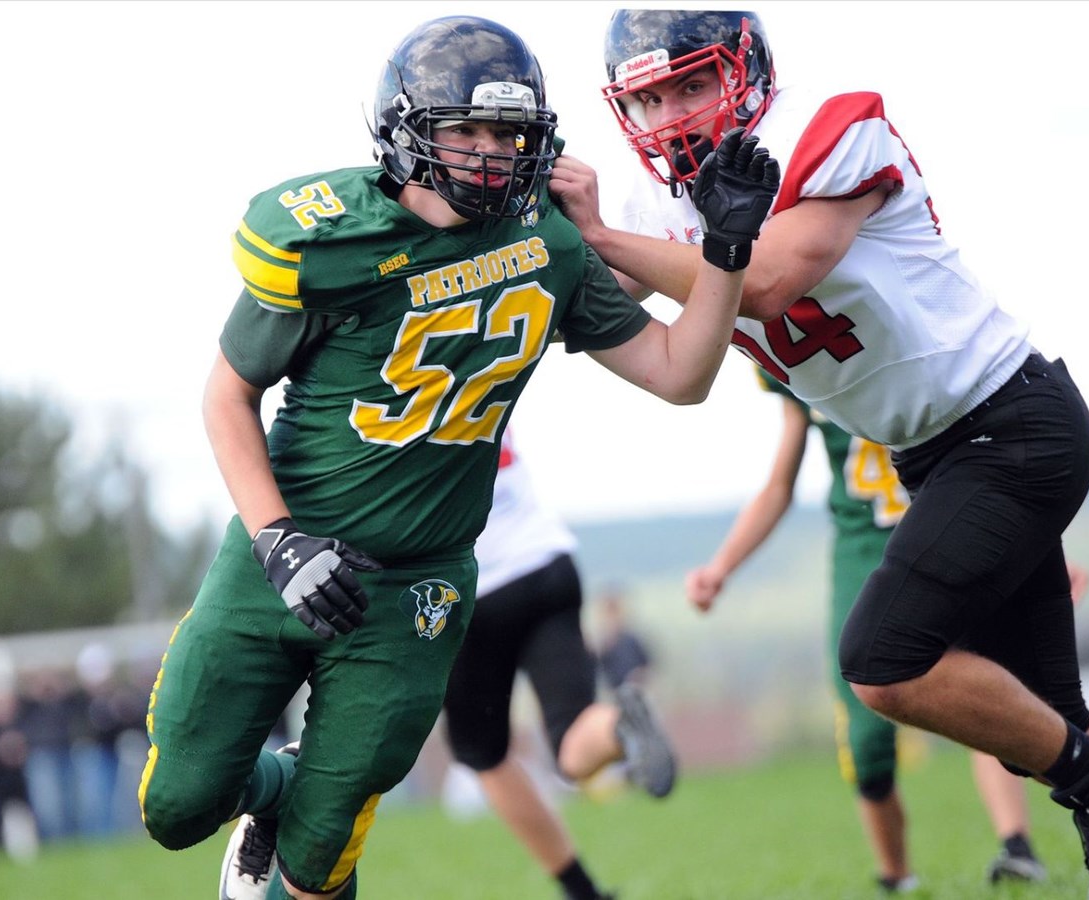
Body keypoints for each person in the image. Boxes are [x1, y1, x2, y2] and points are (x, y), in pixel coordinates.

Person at [549, 10, 1089, 900]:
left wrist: (599, 238)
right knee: (1046, 724)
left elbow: (769, 280)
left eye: (693, 84)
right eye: (651, 97)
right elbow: (584, 287)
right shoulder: (650, 199)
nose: (675, 113)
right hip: (937, 454)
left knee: (882, 660)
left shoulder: (828, 124)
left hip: (1012, 425)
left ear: (744, 72)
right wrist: (518, 217)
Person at [135, 15, 781, 900]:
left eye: (506, 134)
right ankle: (273, 791)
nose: (487, 154)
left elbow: (680, 374)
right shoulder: (334, 241)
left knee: (321, 858)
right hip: (280, 555)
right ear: (408, 130)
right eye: (464, 130)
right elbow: (226, 395)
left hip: (419, 586)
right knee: (175, 804)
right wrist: (281, 541)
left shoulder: (546, 244)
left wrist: (726, 254)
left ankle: (304, 814)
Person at [685, 368, 1053, 892]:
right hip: (865, 551)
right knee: (865, 733)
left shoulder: (906, 320)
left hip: (950, 526)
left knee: (984, 684)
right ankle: (896, 877)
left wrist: (1045, 544)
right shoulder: (787, 345)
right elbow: (778, 485)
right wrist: (721, 566)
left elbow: (1000, 443)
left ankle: (1019, 847)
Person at [442, 428, 676, 900]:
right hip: (548, 562)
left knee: (482, 754)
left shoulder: (392, 381)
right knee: (572, 740)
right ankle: (617, 725)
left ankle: (580, 890)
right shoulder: (487, 356)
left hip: (473, 586)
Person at [590, 585, 654, 691]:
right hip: (612, 692)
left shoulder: (631, 640)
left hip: (634, 691)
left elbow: (647, 664)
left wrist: (638, 675)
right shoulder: (602, 643)